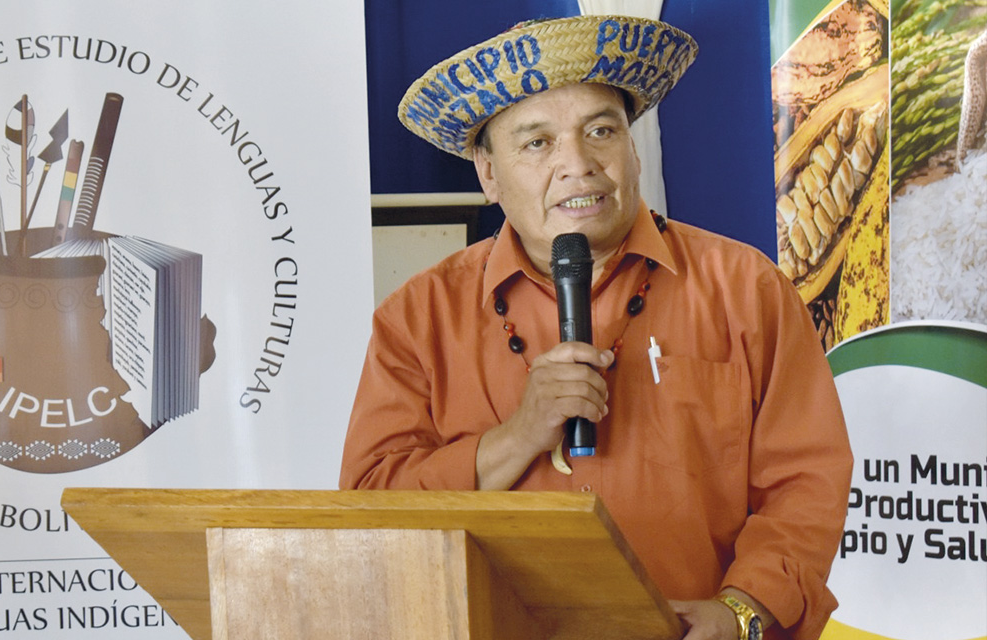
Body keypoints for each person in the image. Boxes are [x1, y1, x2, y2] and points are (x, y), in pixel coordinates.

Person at [339, 15, 853, 640]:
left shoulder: (745, 289)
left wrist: (742, 609)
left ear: (632, 150)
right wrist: (520, 435)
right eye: (536, 143)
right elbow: (370, 505)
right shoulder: (416, 318)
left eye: (601, 131)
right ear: (489, 175)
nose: (577, 165)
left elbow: (806, 481)